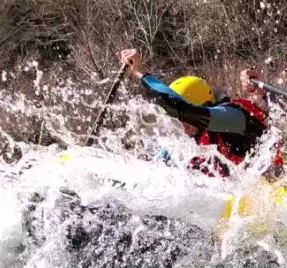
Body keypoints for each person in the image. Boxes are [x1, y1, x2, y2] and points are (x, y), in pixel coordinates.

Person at [116, 49, 270, 178]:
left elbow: (182, 109)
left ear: (204, 106)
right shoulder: (193, 140)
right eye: (178, 120)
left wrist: (140, 72)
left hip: (277, 183)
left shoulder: (234, 117)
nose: (183, 125)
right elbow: (159, 166)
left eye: (185, 119)